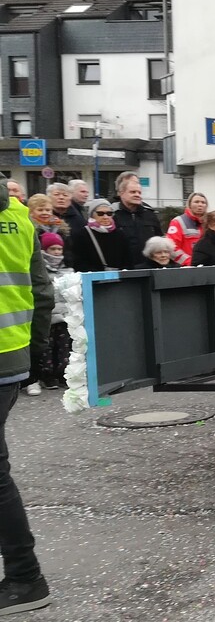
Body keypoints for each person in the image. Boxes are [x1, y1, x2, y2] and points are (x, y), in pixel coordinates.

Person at [0, 180, 54, 615]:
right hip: (11, 357)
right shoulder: (19, 214)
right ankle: (23, 576)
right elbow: (41, 290)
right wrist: (34, 354)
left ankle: (24, 578)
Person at [33, 232, 71, 391]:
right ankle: (46, 375)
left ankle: (62, 372)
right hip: (47, 316)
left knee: (64, 346)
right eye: (52, 248)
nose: (56, 252)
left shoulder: (68, 270)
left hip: (63, 316)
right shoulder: (40, 270)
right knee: (46, 347)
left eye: (59, 249)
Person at [110, 172, 163, 267]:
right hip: (123, 268)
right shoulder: (112, 214)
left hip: (149, 268)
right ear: (121, 193)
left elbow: (159, 239)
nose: (137, 195)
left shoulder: (150, 214)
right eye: (132, 192)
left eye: (139, 192)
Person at [71, 199, 130, 272]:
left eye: (109, 213)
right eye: (100, 213)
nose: (105, 217)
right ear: (92, 215)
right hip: (93, 279)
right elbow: (79, 262)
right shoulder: (83, 234)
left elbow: (128, 260)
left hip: (119, 279)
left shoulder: (120, 234)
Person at [167, 193, 207, 266]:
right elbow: (172, 249)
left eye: (203, 202)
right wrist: (190, 262)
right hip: (185, 269)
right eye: (196, 202)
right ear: (189, 204)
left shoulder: (209, 223)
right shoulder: (177, 222)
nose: (200, 205)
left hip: (206, 267)